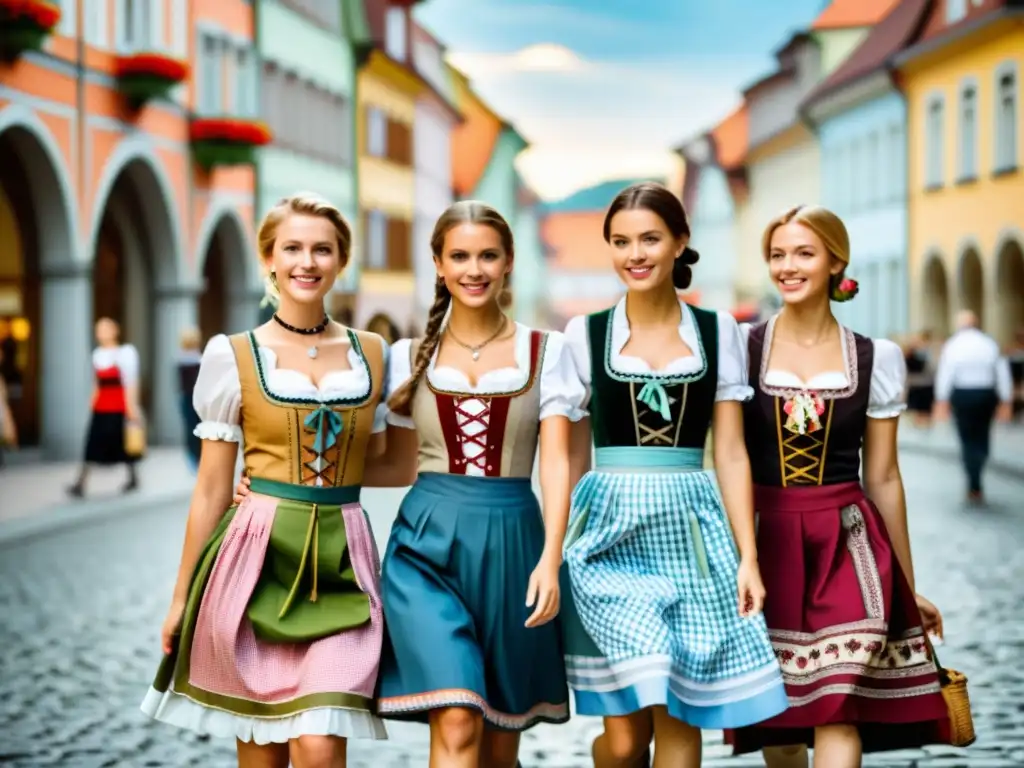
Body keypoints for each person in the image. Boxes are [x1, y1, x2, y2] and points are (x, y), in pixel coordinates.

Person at [141, 193, 392, 767]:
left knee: (321, 746)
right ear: (269, 260)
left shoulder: (373, 355)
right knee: (263, 753)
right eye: (293, 248)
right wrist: (181, 598)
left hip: (342, 559)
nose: (307, 261)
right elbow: (210, 488)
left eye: (322, 249)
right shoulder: (233, 356)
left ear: (340, 260)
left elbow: (389, 464)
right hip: (254, 557)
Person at [560, 182, 787, 768]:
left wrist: (747, 555)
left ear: (680, 242)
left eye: (649, 239)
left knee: (681, 716)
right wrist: (552, 549)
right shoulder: (584, 337)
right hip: (610, 537)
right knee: (628, 740)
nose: (634, 254)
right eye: (620, 241)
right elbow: (566, 455)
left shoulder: (718, 332)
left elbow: (731, 453)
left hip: (691, 534)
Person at [728, 205, 948, 768]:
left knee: (839, 703)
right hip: (767, 537)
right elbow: (727, 455)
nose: (787, 266)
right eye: (777, 255)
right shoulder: (740, 349)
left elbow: (883, 475)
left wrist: (906, 583)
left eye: (803, 253)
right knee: (781, 715)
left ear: (835, 262)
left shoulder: (877, 358)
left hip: (847, 540)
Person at [370, 200, 582, 767]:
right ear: (438, 263)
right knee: (459, 715)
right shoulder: (406, 359)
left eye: (488, 255)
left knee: (498, 742)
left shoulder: (547, 352)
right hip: (425, 547)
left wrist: (550, 558)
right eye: (459, 255)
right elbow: (391, 464)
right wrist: (276, 483)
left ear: (509, 262)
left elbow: (556, 463)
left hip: (515, 545)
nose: (474, 269)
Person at [932, 309, 1014, 504]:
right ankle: (979, 462)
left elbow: (946, 374)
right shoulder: (989, 343)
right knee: (982, 434)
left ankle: (973, 480)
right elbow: (1002, 373)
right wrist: (1006, 400)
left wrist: (941, 400)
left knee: (967, 437)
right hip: (986, 394)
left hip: (963, 394)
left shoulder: (953, 345)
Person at [67, 317, 142, 497]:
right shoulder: (98, 355)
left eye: (104, 329)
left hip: (118, 405)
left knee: (123, 442)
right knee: (92, 443)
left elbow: (130, 382)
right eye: (99, 330)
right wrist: (92, 401)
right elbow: (96, 382)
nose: (101, 333)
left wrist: (132, 407)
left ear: (115, 331)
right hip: (102, 405)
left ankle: (133, 477)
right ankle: (80, 482)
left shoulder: (125, 353)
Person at [177, 327, 203, 473]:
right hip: (194, 397)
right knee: (196, 427)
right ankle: (196, 456)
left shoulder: (180, 359)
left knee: (189, 427)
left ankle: (193, 456)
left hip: (186, 396)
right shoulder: (198, 359)